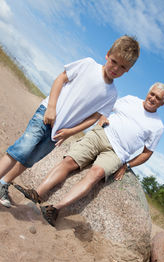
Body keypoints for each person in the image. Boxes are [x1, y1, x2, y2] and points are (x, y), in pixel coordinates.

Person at [0, 35, 140, 208]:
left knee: (30, 158)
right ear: (107, 54)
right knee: (23, 148)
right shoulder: (88, 65)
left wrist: (69, 132)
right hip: (46, 114)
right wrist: (51, 107)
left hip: (60, 131)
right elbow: (61, 78)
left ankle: (4, 183)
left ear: (127, 71)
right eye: (114, 61)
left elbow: (94, 118)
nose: (116, 69)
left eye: (122, 67)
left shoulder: (112, 94)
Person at [15, 82, 164, 227]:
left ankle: (55, 209)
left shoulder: (157, 126)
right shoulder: (131, 100)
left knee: (94, 175)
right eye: (152, 94)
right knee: (69, 161)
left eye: (158, 98)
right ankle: (37, 194)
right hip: (100, 135)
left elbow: (147, 153)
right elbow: (108, 108)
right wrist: (103, 117)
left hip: (117, 153)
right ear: (148, 92)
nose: (153, 98)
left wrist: (127, 164)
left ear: (163, 103)